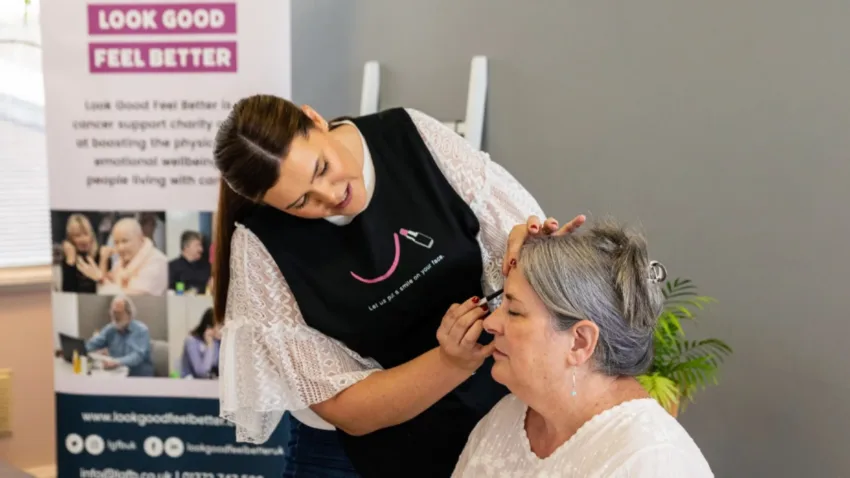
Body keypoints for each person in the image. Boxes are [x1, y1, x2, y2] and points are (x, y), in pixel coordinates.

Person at [212, 94, 584, 477]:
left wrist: (531, 253)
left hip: (500, 410)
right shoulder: (260, 247)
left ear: (315, 119)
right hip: (379, 449)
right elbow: (347, 409)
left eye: (322, 168)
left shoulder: (410, 136)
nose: (332, 196)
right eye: (301, 202)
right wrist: (450, 361)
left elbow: (514, 238)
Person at [452, 220, 714, 477]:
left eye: (515, 312)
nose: (490, 322)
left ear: (580, 341)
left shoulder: (653, 461)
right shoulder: (507, 418)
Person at [77, 217, 169, 296]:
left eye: (125, 241)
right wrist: (103, 260)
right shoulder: (120, 263)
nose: (120, 248)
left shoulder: (157, 262)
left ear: (140, 238)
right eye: (116, 242)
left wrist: (101, 278)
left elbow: (130, 299)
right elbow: (104, 291)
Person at [85, 295, 155, 377]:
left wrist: (117, 362)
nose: (115, 317)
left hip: (138, 378)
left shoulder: (141, 330)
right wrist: (78, 349)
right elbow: (93, 344)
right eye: (113, 312)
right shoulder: (110, 329)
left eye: (119, 313)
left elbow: (137, 356)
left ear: (129, 314)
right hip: (118, 375)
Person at [60, 213, 111, 294]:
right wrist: (70, 262)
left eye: (86, 234)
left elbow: (106, 290)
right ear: (71, 239)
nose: (83, 239)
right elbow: (67, 294)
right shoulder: (68, 260)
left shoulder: (101, 255)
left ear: (91, 235)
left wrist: (103, 260)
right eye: (77, 235)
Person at [180, 308, 221, 378]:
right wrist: (210, 346)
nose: (223, 329)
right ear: (209, 327)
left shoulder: (217, 342)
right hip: (191, 384)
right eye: (220, 326)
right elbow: (202, 372)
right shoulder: (191, 341)